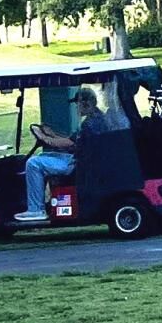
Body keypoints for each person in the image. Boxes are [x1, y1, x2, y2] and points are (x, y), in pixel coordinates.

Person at [15, 83, 117, 222]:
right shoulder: (96, 118)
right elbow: (72, 141)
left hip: (78, 165)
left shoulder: (90, 124)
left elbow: (69, 144)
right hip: (81, 160)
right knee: (43, 156)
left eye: (78, 104)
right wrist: (51, 134)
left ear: (86, 104)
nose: (77, 107)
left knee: (33, 163)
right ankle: (43, 202)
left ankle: (36, 209)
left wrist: (45, 138)